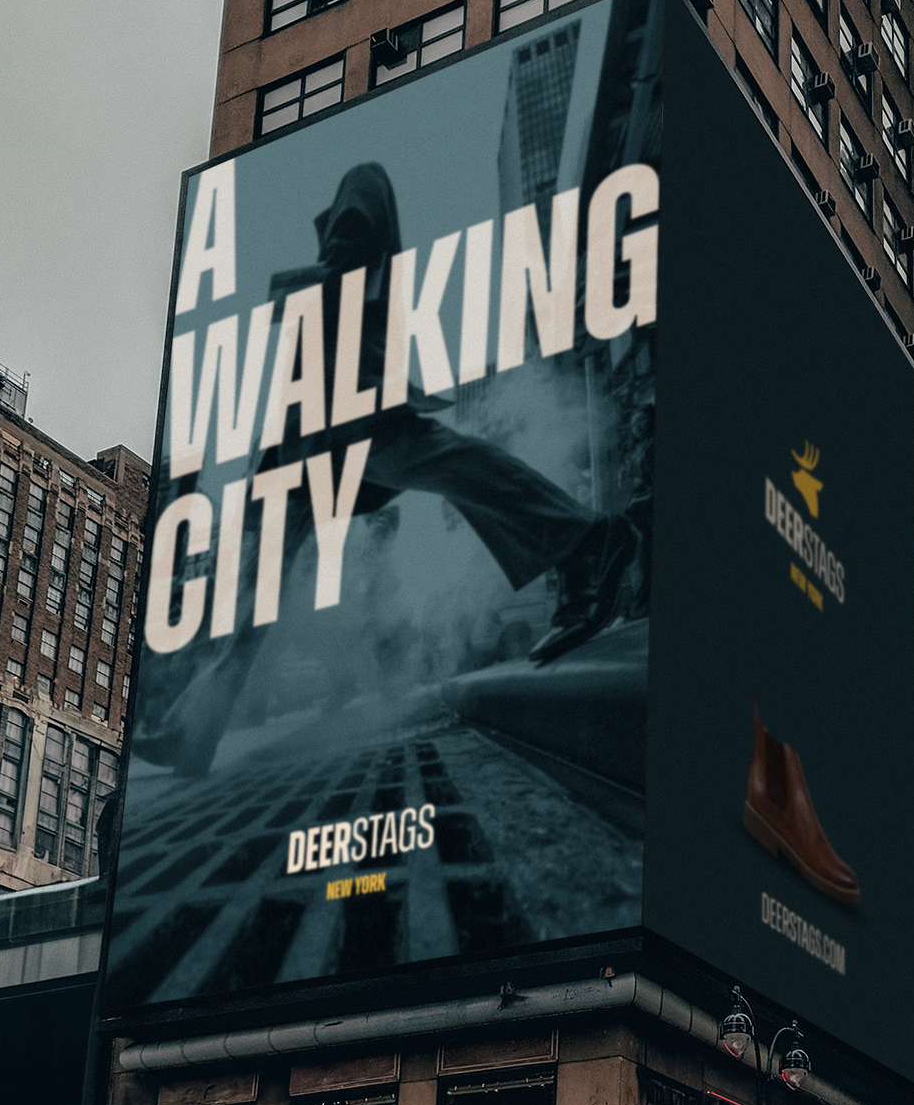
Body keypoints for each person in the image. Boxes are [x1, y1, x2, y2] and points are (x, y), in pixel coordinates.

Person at [133, 163, 642, 776]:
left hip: (351, 407)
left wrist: (293, 290)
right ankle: (196, 731)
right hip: (304, 440)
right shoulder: (348, 228)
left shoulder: (361, 188)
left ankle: (588, 539)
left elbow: (347, 275)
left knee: (445, 461)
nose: (336, 238)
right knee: (259, 582)